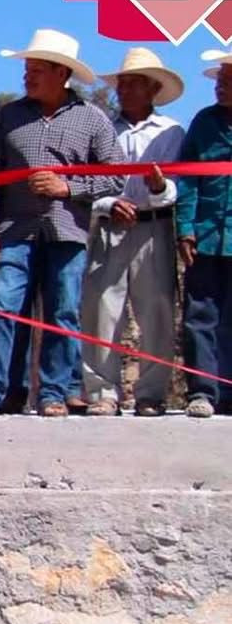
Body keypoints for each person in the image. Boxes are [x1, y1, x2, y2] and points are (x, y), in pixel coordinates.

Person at [0, 29, 141, 417]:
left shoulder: (92, 120)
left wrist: (68, 187)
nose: (27, 77)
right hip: (13, 232)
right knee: (3, 308)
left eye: (37, 70)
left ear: (63, 73)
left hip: (68, 232)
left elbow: (116, 177)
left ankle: (53, 393)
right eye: (27, 69)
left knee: (63, 312)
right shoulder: (8, 118)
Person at [80, 47, 183, 418]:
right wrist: (107, 205)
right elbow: (86, 183)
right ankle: (102, 392)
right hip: (110, 227)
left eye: (133, 84)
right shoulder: (101, 127)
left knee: (155, 308)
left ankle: (151, 393)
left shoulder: (172, 132)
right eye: (121, 83)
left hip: (154, 226)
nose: (124, 90)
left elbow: (178, 190)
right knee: (102, 309)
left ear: (153, 88)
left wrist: (158, 188)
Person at [175, 49, 232, 418]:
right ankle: (203, 392)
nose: (220, 88)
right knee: (200, 315)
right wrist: (185, 228)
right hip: (207, 236)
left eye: (228, 82)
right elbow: (187, 178)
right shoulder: (203, 122)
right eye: (219, 81)